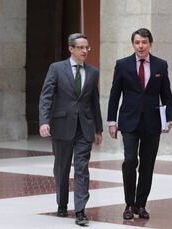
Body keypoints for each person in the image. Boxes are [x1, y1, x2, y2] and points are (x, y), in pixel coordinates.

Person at [107, 28, 172, 220]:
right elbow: (114, 94)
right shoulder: (122, 65)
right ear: (133, 44)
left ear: (150, 43)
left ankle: (141, 205)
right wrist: (112, 121)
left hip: (152, 123)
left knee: (147, 165)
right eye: (137, 42)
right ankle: (129, 203)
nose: (141, 46)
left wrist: (169, 118)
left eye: (144, 42)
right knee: (130, 161)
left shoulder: (161, 65)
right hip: (129, 121)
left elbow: (166, 94)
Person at [39, 33, 103, 226]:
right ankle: (62, 203)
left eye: (87, 47)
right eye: (81, 47)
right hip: (61, 126)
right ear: (71, 49)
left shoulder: (93, 72)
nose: (85, 51)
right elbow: (46, 97)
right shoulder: (56, 69)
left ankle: (80, 210)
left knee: (82, 169)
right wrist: (44, 121)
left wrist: (98, 129)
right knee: (62, 167)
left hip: (84, 128)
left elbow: (94, 102)